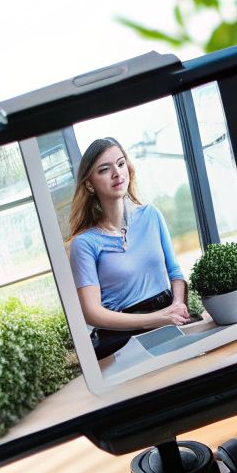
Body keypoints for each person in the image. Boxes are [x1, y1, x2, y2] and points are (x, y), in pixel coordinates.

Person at [65, 137, 191, 360]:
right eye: (105, 169)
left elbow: (175, 274)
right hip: (122, 335)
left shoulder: (151, 216)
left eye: (121, 164)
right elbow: (92, 312)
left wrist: (177, 305)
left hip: (167, 316)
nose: (117, 173)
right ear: (90, 184)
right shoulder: (84, 244)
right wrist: (156, 319)